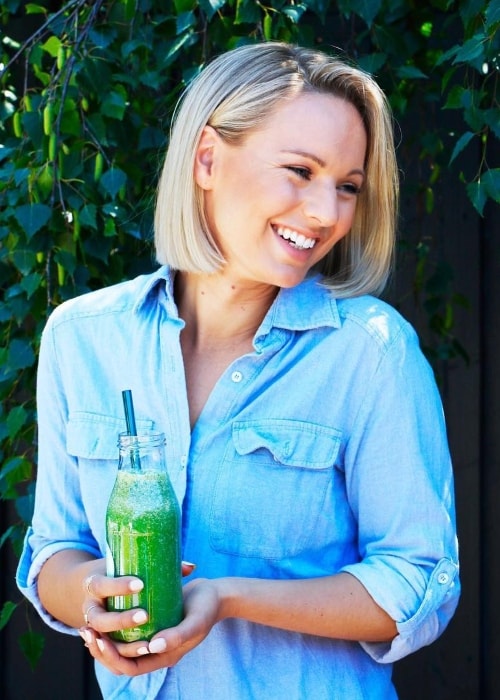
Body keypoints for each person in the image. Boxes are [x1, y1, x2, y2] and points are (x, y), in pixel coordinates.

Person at [16, 41, 460, 699]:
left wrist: (227, 597)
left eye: (346, 187)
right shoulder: (82, 338)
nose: (326, 214)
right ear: (206, 160)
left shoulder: (370, 353)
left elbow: (419, 581)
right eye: (299, 170)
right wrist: (88, 593)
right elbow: (55, 546)